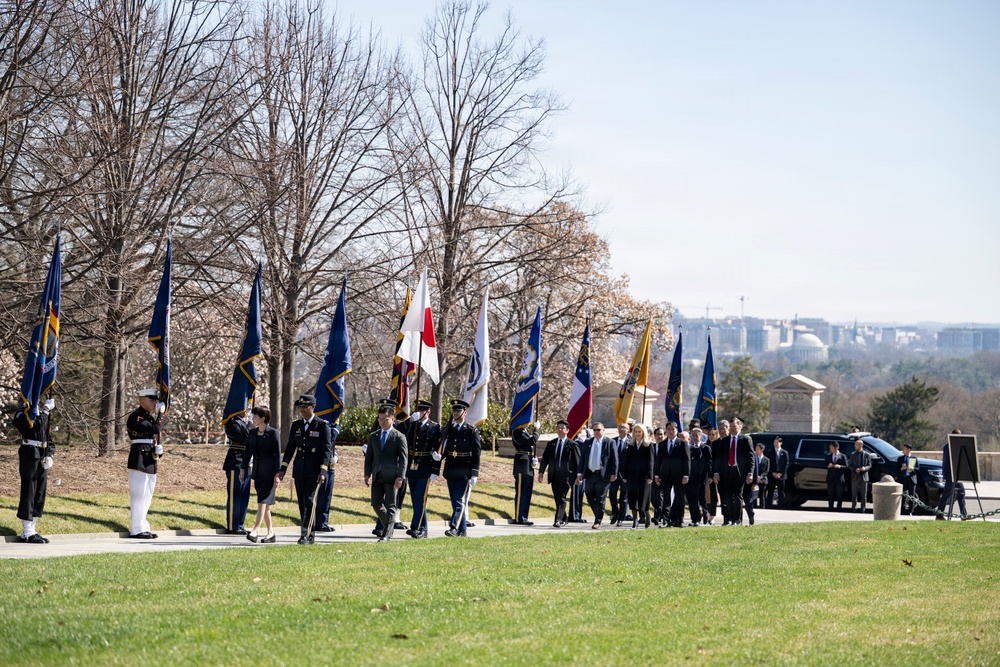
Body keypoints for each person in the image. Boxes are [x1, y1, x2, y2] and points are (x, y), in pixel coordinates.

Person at [277, 394, 333, 545]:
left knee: (309, 501)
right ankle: (309, 533)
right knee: (302, 502)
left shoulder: (322, 425)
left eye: (305, 407)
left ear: (313, 407)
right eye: (300, 407)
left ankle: (306, 534)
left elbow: (327, 451)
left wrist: (323, 471)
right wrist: (283, 468)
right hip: (299, 470)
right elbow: (290, 448)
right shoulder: (296, 425)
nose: (302, 410)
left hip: (314, 471)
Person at [12, 398, 56, 543]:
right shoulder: (21, 415)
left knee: (39, 492)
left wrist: (50, 454)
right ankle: (27, 531)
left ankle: (33, 529)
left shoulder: (39, 415)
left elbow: (47, 435)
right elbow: (35, 427)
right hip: (30, 454)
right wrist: (45, 411)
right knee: (29, 491)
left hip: (42, 454)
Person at [435, 399, 482, 537]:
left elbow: (477, 453)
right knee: (454, 501)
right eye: (454, 411)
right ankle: (463, 530)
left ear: (465, 412)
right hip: (451, 469)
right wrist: (439, 456)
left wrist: (474, 473)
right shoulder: (449, 429)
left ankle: (454, 527)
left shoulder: (471, 431)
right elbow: (445, 446)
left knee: (459, 500)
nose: (455, 413)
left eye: (458, 411)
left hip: (464, 470)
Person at [364, 403, 408, 542]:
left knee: (391, 506)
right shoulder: (374, 436)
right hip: (377, 475)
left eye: (385, 419)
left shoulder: (399, 437)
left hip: (392, 477)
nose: (382, 422)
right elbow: (369, 457)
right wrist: (367, 473)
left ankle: (387, 534)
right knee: (376, 504)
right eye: (380, 419)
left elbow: (403, 459)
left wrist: (400, 476)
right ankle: (389, 525)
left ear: (392, 419)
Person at [126, 388, 166, 539]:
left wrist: (158, 450)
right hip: (139, 457)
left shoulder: (148, 417)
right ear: (142, 400)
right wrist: (162, 414)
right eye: (152, 400)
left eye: (155, 400)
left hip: (149, 457)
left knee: (147, 494)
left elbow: (153, 432)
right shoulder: (135, 417)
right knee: (139, 494)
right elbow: (156, 428)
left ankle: (143, 526)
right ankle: (136, 529)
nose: (155, 402)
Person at [240, 406, 281, 543]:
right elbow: (247, 454)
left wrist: (278, 474)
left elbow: (277, 456)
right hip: (257, 473)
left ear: (263, 418)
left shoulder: (274, 433)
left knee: (262, 501)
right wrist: (242, 469)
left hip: (270, 474)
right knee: (265, 505)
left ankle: (256, 530)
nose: (253, 419)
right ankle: (271, 533)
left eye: (255, 416)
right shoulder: (252, 433)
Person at [402, 399, 442, 538]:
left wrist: (435, 470)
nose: (418, 413)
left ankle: (415, 527)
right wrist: (409, 420)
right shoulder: (412, 425)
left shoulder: (435, 427)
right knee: (415, 499)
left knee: (420, 497)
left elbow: (438, 449)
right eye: (417, 410)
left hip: (425, 466)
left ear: (428, 412)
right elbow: (399, 430)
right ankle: (423, 529)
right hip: (412, 466)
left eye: (421, 411)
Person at [538, 419, 580, 527]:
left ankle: (557, 520)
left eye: (562, 428)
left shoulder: (572, 444)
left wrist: (578, 475)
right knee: (557, 497)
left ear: (567, 430)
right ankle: (564, 517)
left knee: (561, 497)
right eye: (558, 427)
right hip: (554, 474)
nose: (560, 429)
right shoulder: (551, 444)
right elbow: (545, 459)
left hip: (566, 476)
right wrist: (541, 472)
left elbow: (577, 462)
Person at [713, 417, 754, 526]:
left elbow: (751, 458)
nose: (732, 429)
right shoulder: (725, 441)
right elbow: (719, 458)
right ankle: (730, 519)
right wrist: (716, 473)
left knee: (737, 496)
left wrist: (750, 473)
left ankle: (737, 519)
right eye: (731, 426)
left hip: (739, 472)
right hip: (726, 471)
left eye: (734, 426)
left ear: (740, 426)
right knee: (727, 496)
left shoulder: (745, 440)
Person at [579, 422, 618, 529]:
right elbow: (583, 459)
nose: (596, 432)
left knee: (600, 498)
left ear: (603, 431)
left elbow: (615, 460)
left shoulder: (609, 442)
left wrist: (614, 473)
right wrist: (580, 473)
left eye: (598, 430)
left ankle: (598, 521)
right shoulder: (588, 442)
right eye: (594, 430)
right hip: (590, 474)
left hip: (603, 475)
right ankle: (599, 514)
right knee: (589, 497)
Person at [222, 411, 252, 536]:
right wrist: (250, 424)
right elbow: (245, 437)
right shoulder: (231, 423)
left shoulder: (242, 423)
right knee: (235, 495)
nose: (245, 411)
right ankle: (232, 525)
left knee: (244, 495)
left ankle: (240, 524)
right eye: (243, 408)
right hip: (236, 462)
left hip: (247, 462)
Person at [655, 422, 690, 528]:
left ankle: (679, 520)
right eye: (669, 429)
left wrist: (686, 475)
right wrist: (656, 475)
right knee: (666, 498)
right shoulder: (662, 444)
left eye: (673, 429)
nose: (671, 431)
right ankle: (667, 520)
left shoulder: (682, 443)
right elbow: (658, 461)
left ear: (676, 430)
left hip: (679, 475)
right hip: (665, 475)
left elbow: (687, 460)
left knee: (679, 498)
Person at [312, 420, 342, 534]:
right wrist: (336, 427)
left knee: (327, 496)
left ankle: (323, 522)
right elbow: (330, 438)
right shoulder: (321, 426)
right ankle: (319, 522)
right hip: (322, 465)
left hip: (330, 463)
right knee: (322, 494)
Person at [622, 424, 654, 529]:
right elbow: (626, 461)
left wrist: (650, 476)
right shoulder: (630, 445)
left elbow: (651, 461)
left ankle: (646, 514)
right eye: (635, 432)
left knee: (643, 497)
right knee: (633, 497)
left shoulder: (649, 445)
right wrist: (625, 475)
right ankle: (635, 521)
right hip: (632, 475)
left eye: (639, 432)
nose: (637, 434)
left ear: (643, 432)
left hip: (644, 476)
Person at [936, 429, 969, 519]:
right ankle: (939, 515)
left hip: (958, 476)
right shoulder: (947, 447)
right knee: (946, 495)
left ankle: (964, 515)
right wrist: (945, 475)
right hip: (951, 476)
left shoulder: (959, 446)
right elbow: (946, 462)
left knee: (961, 493)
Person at [511, 422, 538, 526]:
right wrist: (537, 430)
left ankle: (524, 517)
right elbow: (532, 441)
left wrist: (533, 458)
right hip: (522, 465)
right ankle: (519, 517)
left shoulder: (524, 431)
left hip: (528, 463)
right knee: (521, 492)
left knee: (527, 492)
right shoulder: (517, 432)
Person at [608, 423, 632, 525]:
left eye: (625, 428)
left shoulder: (631, 442)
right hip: (614, 474)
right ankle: (615, 513)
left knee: (624, 497)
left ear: (628, 430)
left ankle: (621, 518)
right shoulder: (612, 441)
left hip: (626, 475)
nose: (622, 429)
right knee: (612, 494)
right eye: (620, 427)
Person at [686, 426, 708, 526]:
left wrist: (709, 476)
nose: (695, 437)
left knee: (701, 498)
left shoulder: (706, 448)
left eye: (697, 435)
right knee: (692, 499)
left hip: (702, 478)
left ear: (701, 436)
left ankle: (705, 511)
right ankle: (695, 519)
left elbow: (709, 463)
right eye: (693, 435)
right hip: (691, 478)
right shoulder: (689, 448)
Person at [703, 426, 721, 524]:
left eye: (713, 434)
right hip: (707, 474)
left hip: (717, 473)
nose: (711, 436)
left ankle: (712, 515)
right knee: (707, 496)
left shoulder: (719, 445)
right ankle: (707, 513)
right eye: (709, 434)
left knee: (714, 495)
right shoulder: (705, 446)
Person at [848, 438, 872, 513]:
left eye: (856, 444)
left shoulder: (867, 455)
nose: (855, 446)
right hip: (855, 476)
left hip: (864, 477)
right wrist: (855, 469)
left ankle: (863, 509)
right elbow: (849, 465)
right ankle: (854, 508)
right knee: (854, 494)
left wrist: (864, 468)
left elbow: (870, 465)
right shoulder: (852, 454)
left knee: (863, 495)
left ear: (860, 445)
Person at [650, 425, 667, 526]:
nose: (659, 436)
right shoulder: (651, 447)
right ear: (654, 436)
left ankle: (658, 516)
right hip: (652, 476)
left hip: (663, 475)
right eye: (658, 434)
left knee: (660, 496)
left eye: (661, 434)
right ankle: (659, 514)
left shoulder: (666, 446)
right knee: (653, 497)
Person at [766, 436, 789, 509]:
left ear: (781, 443)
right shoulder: (770, 452)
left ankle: (781, 505)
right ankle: (769, 505)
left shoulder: (784, 453)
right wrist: (773, 473)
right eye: (774, 442)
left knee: (781, 491)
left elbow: (786, 464)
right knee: (770, 491)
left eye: (777, 442)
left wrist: (781, 473)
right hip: (772, 475)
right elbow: (768, 463)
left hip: (781, 476)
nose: (775, 444)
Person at [897, 443, 918, 515]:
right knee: (902, 495)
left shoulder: (914, 458)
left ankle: (910, 511)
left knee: (912, 496)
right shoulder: (900, 458)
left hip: (911, 479)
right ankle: (902, 511)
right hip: (903, 479)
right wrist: (901, 468)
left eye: (904, 449)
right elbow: (896, 468)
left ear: (908, 450)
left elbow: (918, 469)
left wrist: (912, 468)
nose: (903, 450)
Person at [826, 442, 847, 511]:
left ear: (836, 448)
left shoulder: (842, 456)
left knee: (839, 494)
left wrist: (840, 466)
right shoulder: (828, 456)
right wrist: (828, 466)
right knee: (830, 494)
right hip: (831, 478)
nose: (830, 449)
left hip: (839, 478)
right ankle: (830, 508)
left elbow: (847, 466)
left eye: (831, 448)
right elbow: (824, 464)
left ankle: (839, 508)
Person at [752, 442, 770, 510]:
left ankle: (762, 507)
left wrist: (760, 477)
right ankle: (754, 506)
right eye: (756, 449)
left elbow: (767, 470)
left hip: (762, 480)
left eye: (758, 449)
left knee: (762, 494)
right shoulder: (753, 458)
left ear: (762, 450)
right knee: (754, 494)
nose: (756, 450)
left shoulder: (766, 459)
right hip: (755, 479)